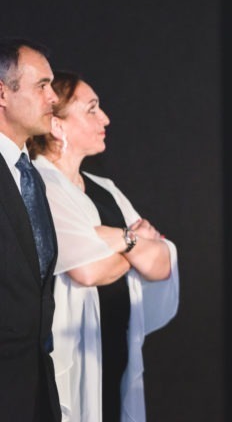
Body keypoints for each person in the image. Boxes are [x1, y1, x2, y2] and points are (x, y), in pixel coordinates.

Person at [28, 71, 179, 422]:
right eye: (92, 109)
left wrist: (112, 240)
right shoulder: (40, 184)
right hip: (68, 353)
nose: (105, 118)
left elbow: (162, 261)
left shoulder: (104, 188)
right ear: (57, 126)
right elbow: (86, 269)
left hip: (111, 349)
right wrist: (132, 241)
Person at [0, 38, 61, 422]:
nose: (53, 97)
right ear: (3, 93)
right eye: (42, 86)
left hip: (36, 385)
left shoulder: (31, 176)